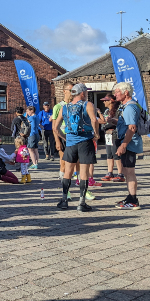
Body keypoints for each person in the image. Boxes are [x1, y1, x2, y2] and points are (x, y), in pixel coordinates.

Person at [56, 82, 98, 212]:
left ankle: (64, 200)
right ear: (82, 93)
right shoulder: (88, 105)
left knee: (68, 171)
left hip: (70, 143)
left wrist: (64, 138)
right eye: (86, 92)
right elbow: (94, 120)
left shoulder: (65, 107)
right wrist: (96, 134)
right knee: (83, 173)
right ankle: (81, 203)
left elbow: (55, 127)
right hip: (85, 142)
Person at [114, 82, 143, 210]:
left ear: (126, 92)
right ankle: (130, 197)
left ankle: (134, 200)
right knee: (126, 171)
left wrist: (123, 145)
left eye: (117, 92)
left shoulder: (130, 107)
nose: (115, 95)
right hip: (127, 142)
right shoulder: (125, 106)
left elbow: (131, 128)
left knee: (130, 172)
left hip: (130, 144)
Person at [97, 93, 124, 182]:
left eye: (106, 100)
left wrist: (111, 121)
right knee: (109, 154)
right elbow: (103, 121)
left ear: (111, 101)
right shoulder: (106, 111)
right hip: (107, 134)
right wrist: (98, 115)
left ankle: (120, 173)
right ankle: (110, 172)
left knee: (116, 153)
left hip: (114, 133)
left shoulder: (118, 111)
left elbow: (120, 121)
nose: (104, 102)